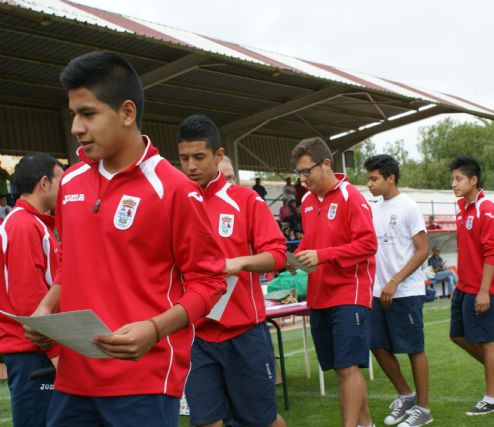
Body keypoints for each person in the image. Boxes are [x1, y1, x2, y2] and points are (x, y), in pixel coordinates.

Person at [24, 51, 228, 427]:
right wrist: (46, 308)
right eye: (73, 114)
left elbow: (209, 282)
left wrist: (155, 329)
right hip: (74, 378)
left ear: (127, 113)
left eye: (88, 113)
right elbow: (73, 263)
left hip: (143, 381)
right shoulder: (69, 183)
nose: (76, 128)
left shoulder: (174, 189)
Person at [177, 114, 288, 427]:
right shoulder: (175, 202)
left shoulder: (245, 200)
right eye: (184, 158)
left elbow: (278, 255)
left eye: (199, 157)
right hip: (196, 335)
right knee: (206, 421)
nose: (191, 166)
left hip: (243, 333)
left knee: (262, 420)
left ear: (218, 155)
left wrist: (237, 263)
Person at [291, 137, 377, 427]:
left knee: (346, 366)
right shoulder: (305, 201)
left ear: (326, 164)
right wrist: (295, 259)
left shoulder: (351, 196)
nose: (303, 180)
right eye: (300, 173)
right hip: (319, 294)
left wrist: (322, 255)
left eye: (307, 171)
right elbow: (310, 241)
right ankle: (366, 424)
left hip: (349, 294)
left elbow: (368, 244)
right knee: (343, 370)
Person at [365, 154, 432, 427]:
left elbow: (423, 250)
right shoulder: (372, 208)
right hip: (377, 292)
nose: (369, 184)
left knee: (413, 349)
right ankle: (406, 395)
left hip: (405, 291)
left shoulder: (409, 207)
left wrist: (395, 280)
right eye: (368, 178)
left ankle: (424, 410)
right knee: (377, 345)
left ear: (390, 178)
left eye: (374, 178)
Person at [448, 156, 494, 416]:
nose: (453, 183)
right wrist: (463, 284)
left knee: (486, 341)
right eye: (453, 179)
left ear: (473, 180)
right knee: (457, 335)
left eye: (459, 179)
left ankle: (491, 399)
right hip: (464, 287)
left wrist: (483, 290)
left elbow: (492, 252)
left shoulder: (485, 208)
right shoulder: (461, 208)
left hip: (482, 288)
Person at [0, 153, 64, 427]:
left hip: (38, 348)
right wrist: (55, 353)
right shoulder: (24, 224)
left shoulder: (33, 223)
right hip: (33, 350)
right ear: (44, 183)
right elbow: (29, 300)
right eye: (62, 180)